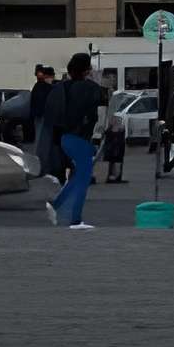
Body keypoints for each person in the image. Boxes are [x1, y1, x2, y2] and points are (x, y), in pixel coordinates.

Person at [48, 53, 107, 230]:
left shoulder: (63, 87)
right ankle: (75, 220)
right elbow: (101, 101)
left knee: (78, 177)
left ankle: (55, 206)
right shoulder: (89, 88)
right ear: (87, 70)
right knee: (82, 179)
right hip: (80, 138)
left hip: (65, 137)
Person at [26, 64, 61, 184]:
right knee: (44, 145)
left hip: (41, 118)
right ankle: (43, 168)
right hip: (45, 119)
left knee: (42, 144)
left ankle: (42, 168)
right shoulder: (48, 88)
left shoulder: (39, 87)